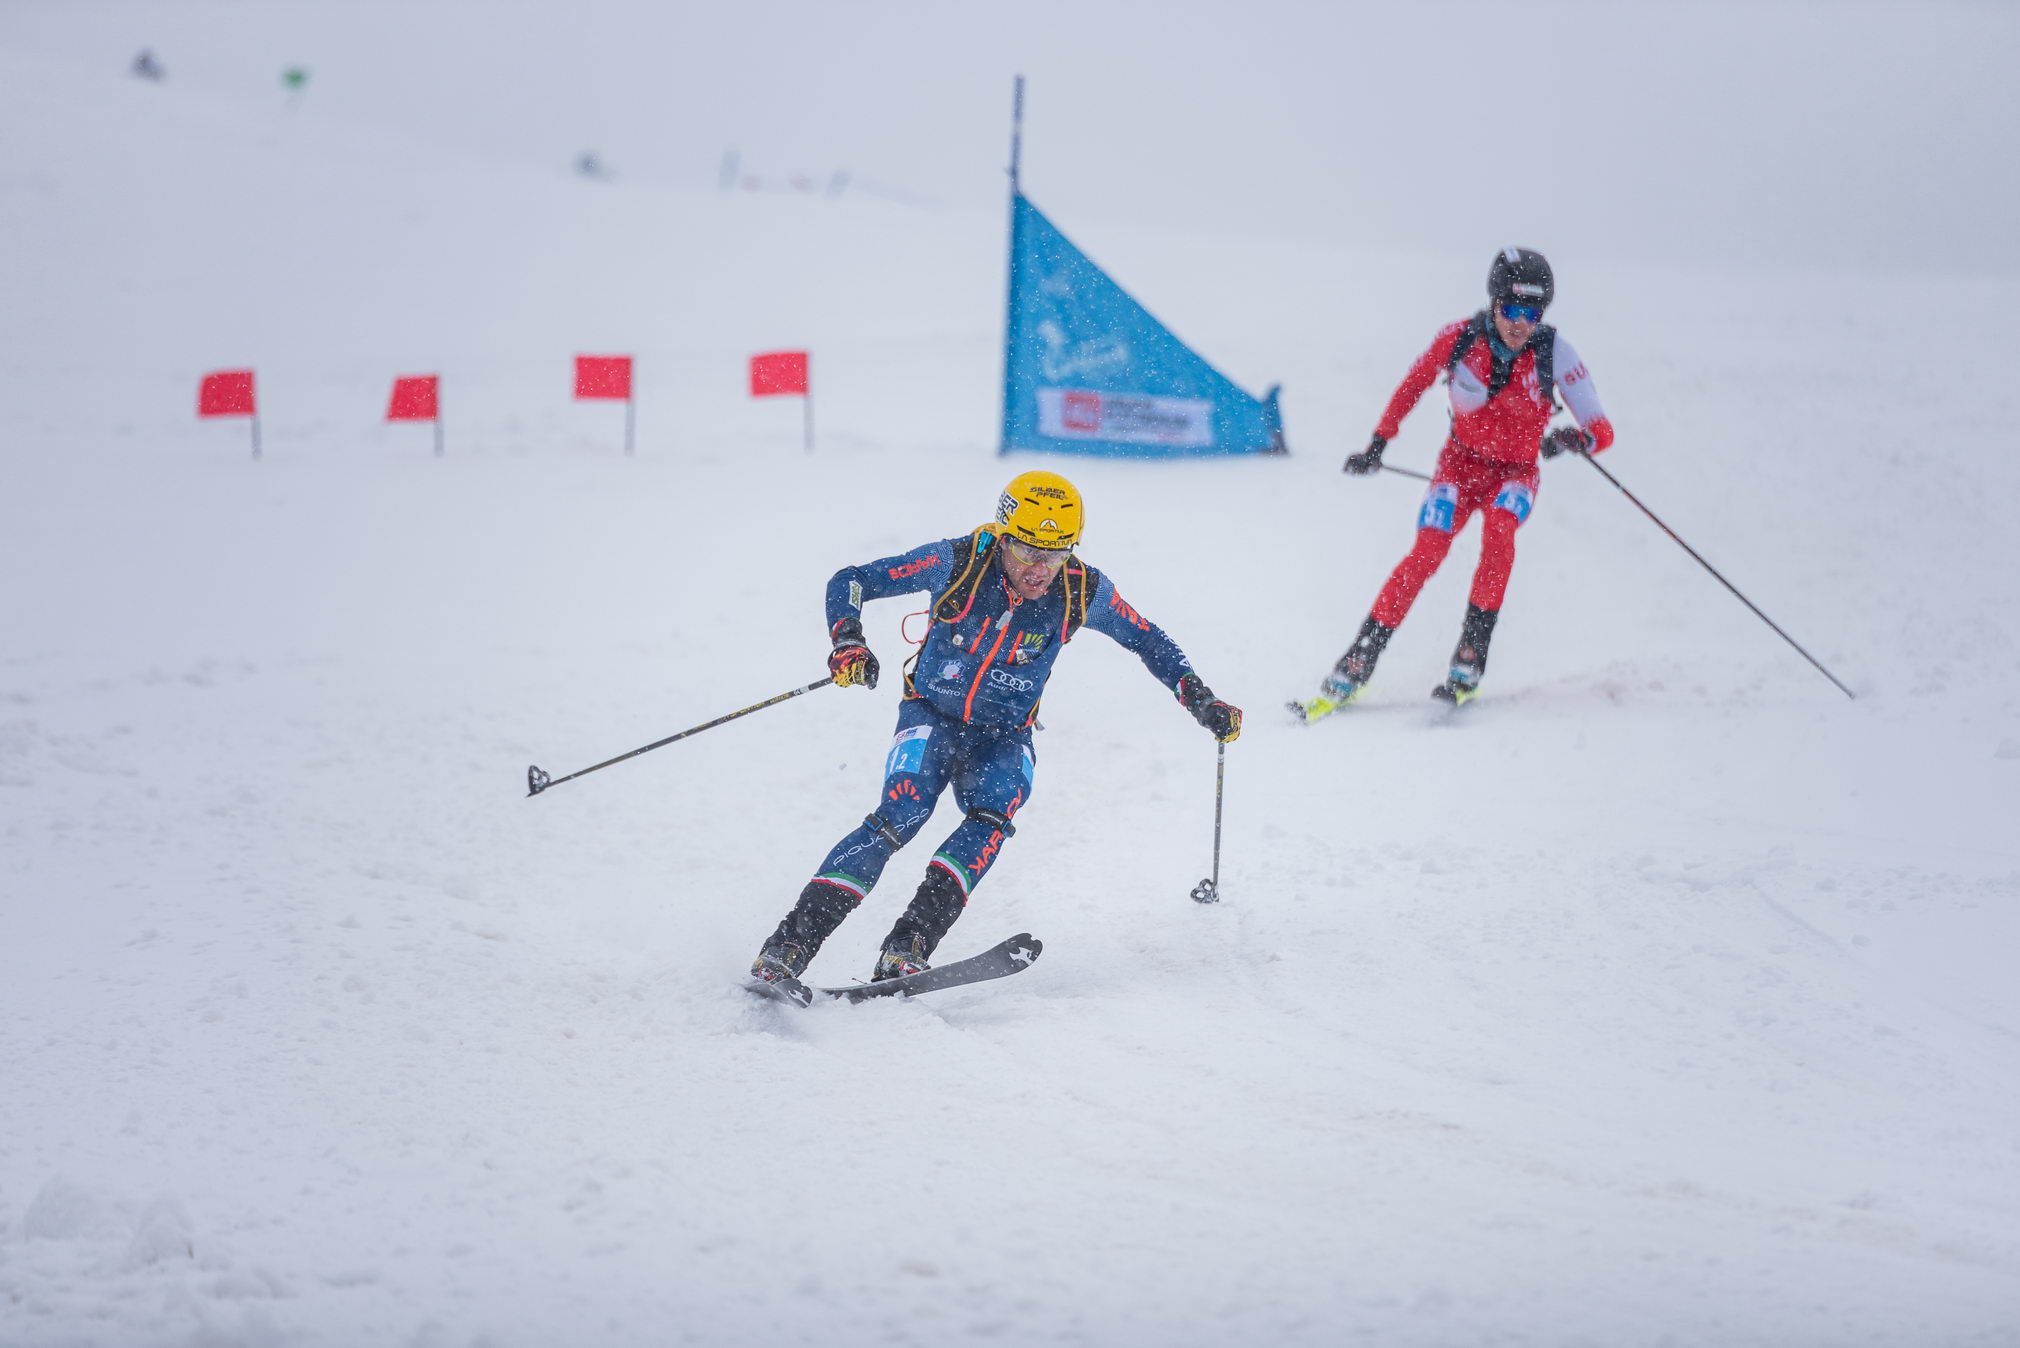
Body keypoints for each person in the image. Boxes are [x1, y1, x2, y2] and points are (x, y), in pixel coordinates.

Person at [750, 470, 1243, 994]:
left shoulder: (1083, 589)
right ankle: (787, 949)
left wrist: (1200, 697)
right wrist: (848, 640)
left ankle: (908, 948)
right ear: (1003, 536)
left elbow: (1149, 640)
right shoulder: (957, 561)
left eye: (1055, 555)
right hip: (931, 717)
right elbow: (851, 579)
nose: (1040, 570)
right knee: (900, 814)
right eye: (1028, 552)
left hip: (1004, 735)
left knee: (996, 810)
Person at [1295, 247, 1615, 718]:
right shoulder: (1459, 340)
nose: (1520, 323)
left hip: (1516, 475)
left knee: (1500, 531)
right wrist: (1377, 445)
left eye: (1532, 313)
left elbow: (1602, 432)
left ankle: (1470, 655)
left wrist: (1573, 438)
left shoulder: (1554, 353)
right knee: (1426, 552)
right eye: (1511, 309)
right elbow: (1411, 388)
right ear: (1494, 302)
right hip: (1458, 469)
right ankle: (1359, 657)